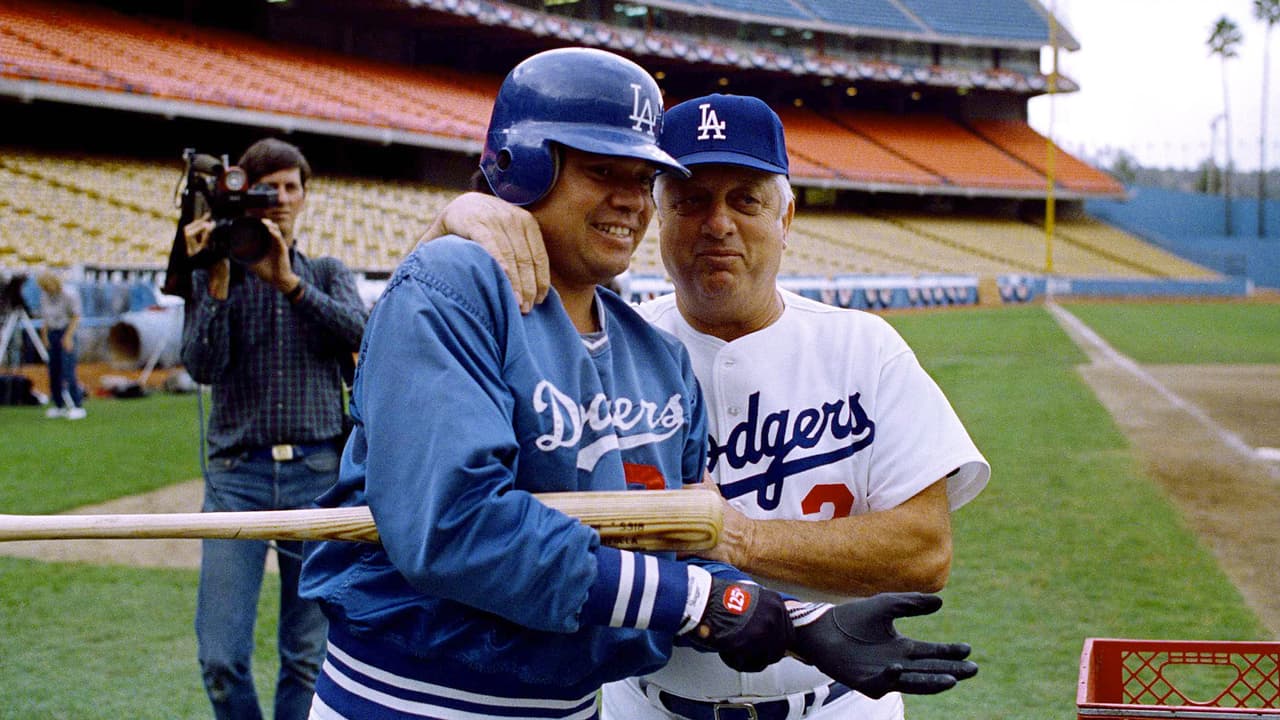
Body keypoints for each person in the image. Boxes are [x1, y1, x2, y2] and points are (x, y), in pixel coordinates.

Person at [300, 49, 976, 720]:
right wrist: (698, 601)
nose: (629, 199)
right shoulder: (455, 283)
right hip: (406, 701)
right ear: (524, 163)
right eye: (601, 170)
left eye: (643, 176)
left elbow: (674, 546)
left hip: (566, 707)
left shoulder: (652, 355)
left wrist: (799, 623)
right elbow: (459, 525)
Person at [180, 137, 367, 720]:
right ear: (247, 195)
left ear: (305, 196)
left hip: (318, 474)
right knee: (220, 657)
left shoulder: (326, 272)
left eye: (291, 187)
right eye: (269, 188)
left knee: (307, 657)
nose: (281, 199)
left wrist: (291, 284)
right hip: (237, 477)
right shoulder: (220, 272)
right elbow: (201, 366)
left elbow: (364, 338)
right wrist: (215, 281)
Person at [35, 271, 86, 420]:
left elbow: (76, 316)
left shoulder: (69, 294)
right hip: (52, 332)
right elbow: (45, 318)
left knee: (68, 369)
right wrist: (45, 336)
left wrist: (68, 337)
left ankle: (77, 405)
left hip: (66, 330)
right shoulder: (44, 296)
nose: (46, 289)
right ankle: (59, 405)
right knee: (53, 370)